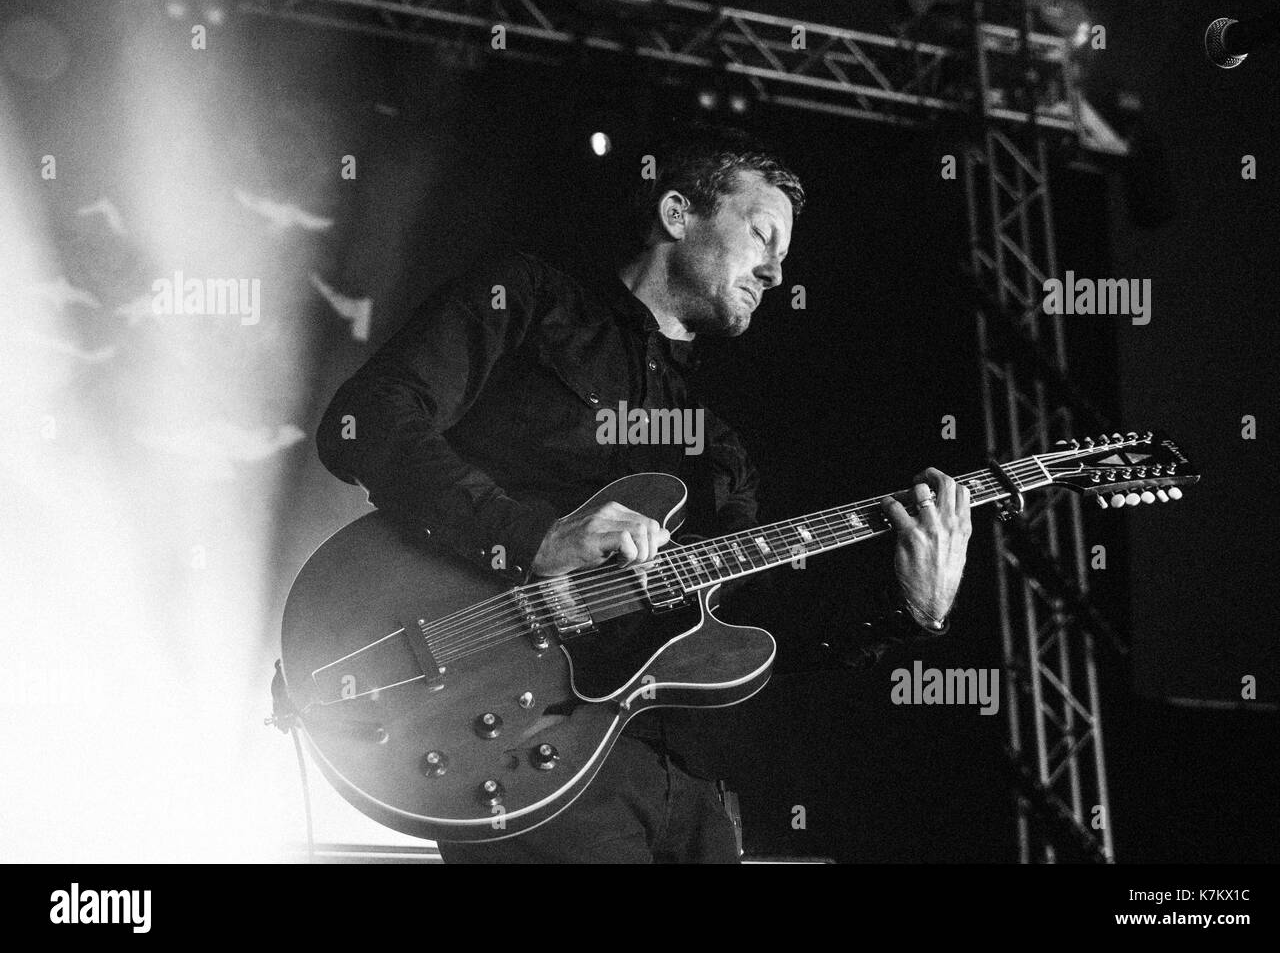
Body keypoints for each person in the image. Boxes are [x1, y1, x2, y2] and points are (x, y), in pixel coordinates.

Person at [315, 126, 972, 863]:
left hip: (688, 785)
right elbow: (364, 422)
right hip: (522, 742)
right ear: (675, 214)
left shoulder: (716, 446)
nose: (777, 274)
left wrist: (907, 609)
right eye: (763, 237)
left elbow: (752, 625)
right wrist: (534, 538)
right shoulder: (529, 300)